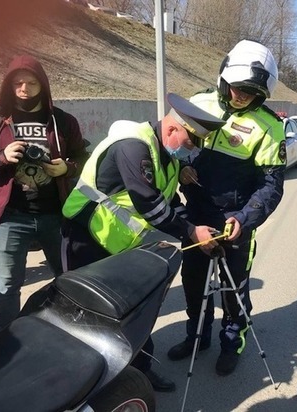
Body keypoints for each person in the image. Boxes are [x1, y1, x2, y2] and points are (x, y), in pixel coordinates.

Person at [60, 92, 226, 392]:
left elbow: (169, 200)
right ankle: (85, 385)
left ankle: (140, 373)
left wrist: (198, 229)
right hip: (86, 238)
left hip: (121, 243)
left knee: (136, 310)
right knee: (88, 315)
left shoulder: (169, 159)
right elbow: (148, 202)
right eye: (191, 142)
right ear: (172, 129)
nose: (192, 151)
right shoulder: (134, 146)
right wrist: (190, 232)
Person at [167, 39, 286, 376]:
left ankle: (231, 343)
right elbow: (172, 143)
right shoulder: (200, 102)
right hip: (195, 217)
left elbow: (271, 186)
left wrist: (245, 218)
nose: (241, 95)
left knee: (234, 291)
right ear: (224, 79)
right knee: (193, 283)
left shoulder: (270, 127)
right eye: (237, 87)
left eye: (250, 91)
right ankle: (197, 337)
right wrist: (180, 166)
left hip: (236, 221)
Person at [0, 55, 88, 333]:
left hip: (55, 214)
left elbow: (84, 157)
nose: (24, 88)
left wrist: (67, 169)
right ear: (9, 85)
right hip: (11, 215)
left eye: (31, 82)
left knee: (68, 278)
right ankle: (7, 344)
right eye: (17, 83)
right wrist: (0, 157)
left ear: (42, 85)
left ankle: (70, 332)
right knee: (6, 285)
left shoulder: (62, 121)